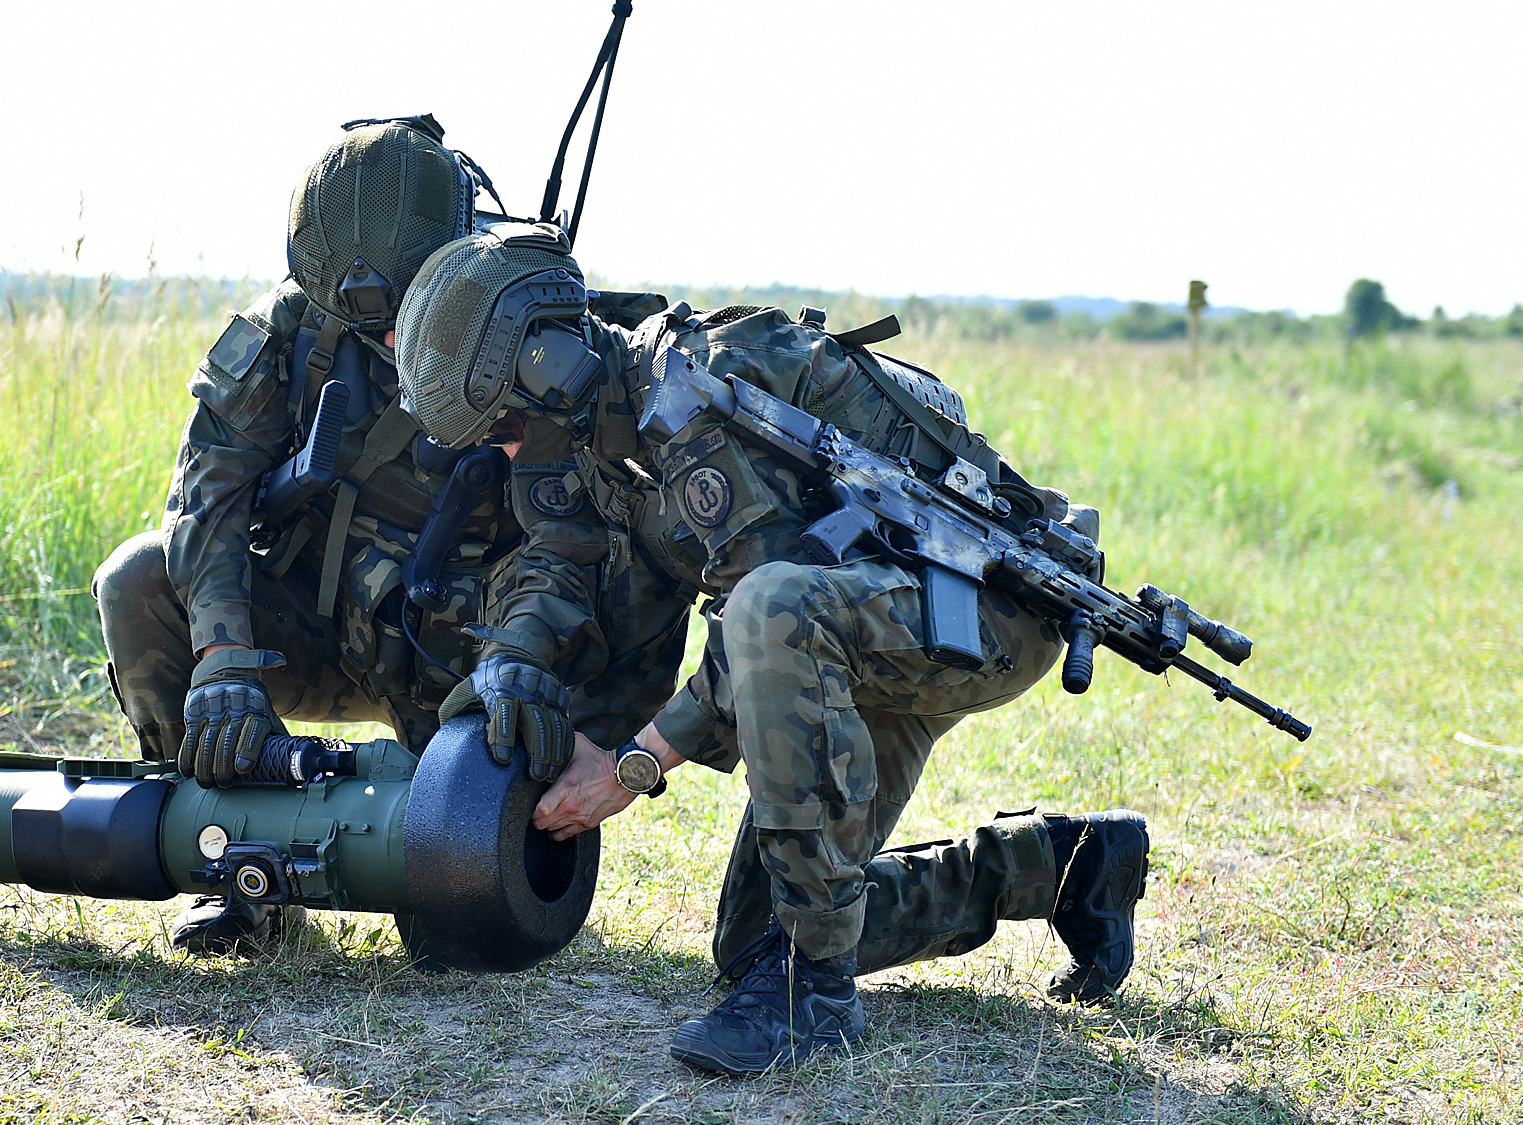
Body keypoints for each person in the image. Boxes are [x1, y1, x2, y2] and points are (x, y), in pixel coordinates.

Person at [393, 222, 1152, 1076]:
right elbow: (562, 555)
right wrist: (514, 662)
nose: (504, 447)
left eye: (502, 424)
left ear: (546, 364)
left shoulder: (696, 399)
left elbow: (763, 629)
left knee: (768, 611)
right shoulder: (595, 429)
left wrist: (633, 765)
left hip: (973, 613)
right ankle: (1070, 868)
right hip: (854, 630)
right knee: (757, 937)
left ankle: (814, 998)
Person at [92, 120, 692, 954]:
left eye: (406, 311)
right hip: (332, 622)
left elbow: (569, 541)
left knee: (452, 923)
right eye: (362, 319)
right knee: (137, 579)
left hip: (484, 657)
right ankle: (234, 863)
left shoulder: (530, 323)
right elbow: (208, 497)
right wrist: (225, 659)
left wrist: (518, 664)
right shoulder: (293, 331)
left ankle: (477, 831)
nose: (384, 339)